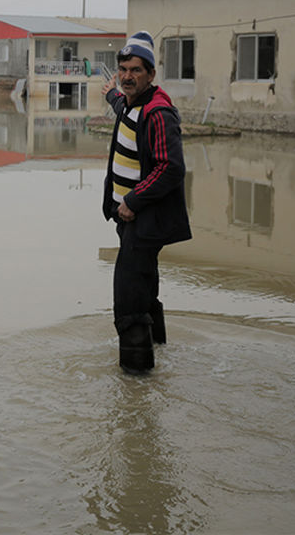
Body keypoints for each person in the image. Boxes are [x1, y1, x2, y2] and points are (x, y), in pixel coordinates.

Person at [101, 31, 192, 374]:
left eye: (136, 70)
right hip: (129, 219)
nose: (127, 76)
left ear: (151, 74)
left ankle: (136, 380)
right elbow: (118, 102)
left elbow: (172, 168)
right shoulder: (129, 102)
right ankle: (159, 353)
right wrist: (110, 92)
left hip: (143, 218)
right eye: (123, 69)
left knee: (129, 300)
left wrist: (134, 201)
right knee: (145, 287)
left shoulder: (157, 113)